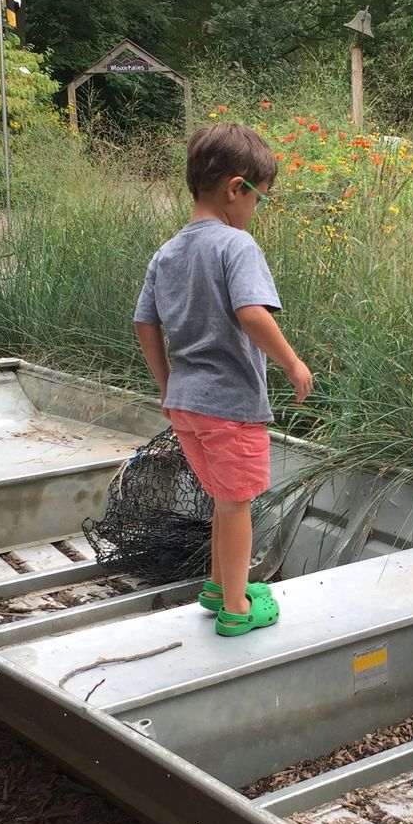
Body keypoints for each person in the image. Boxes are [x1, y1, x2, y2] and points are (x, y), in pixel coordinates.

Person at [134, 122, 312, 637]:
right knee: (237, 505)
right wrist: (292, 363)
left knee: (222, 499)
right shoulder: (236, 247)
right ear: (236, 188)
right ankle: (236, 608)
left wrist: (167, 385)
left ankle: (217, 585)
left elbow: (145, 322)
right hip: (230, 405)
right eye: (259, 198)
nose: (256, 211)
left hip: (186, 405)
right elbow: (252, 313)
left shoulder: (167, 252)